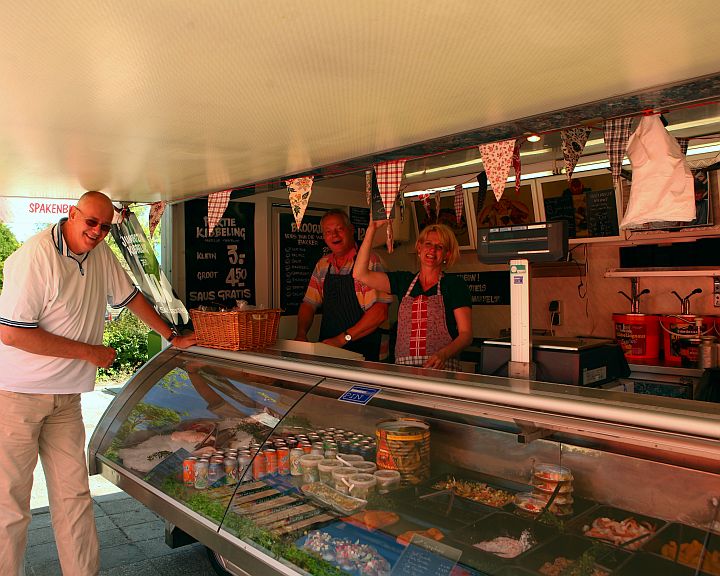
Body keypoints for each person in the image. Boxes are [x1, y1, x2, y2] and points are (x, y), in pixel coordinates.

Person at [0, 191, 196, 576]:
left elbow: (131, 297)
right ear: (72, 214)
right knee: (10, 504)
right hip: (17, 396)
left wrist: (172, 335)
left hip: (66, 398)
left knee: (74, 496)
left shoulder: (101, 253)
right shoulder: (35, 256)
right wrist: (89, 352)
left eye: (105, 226)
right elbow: (12, 334)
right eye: (91, 222)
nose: (97, 231)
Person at [354, 219, 473, 371]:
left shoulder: (454, 285)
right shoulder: (403, 281)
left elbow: (466, 334)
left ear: (447, 254)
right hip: (405, 372)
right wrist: (372, 228)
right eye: (428, 244)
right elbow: (360, 274)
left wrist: (443, 355)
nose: (432, 250)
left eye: (440, 247)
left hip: (440, 370)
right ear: (419, 247)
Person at [294, 209, 391, 361]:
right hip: (329, 349)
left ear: (351, 230)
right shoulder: (322, 265)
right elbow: (309, 304)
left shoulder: (370, 262)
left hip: (367, 351)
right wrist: (301, 334)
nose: (334, 235)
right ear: (324, 236)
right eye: (328, 231)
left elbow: (380, 313)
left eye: (339, 229)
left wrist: (342, 339)